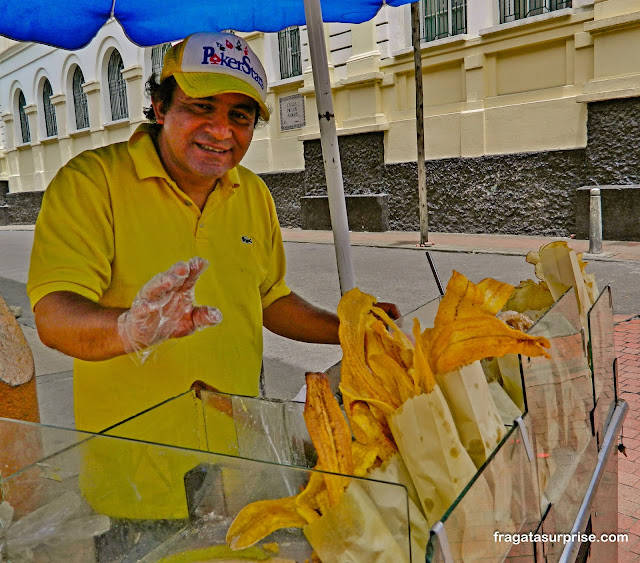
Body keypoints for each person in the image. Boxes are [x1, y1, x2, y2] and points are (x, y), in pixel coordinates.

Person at [27, 32, 399, 521]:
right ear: (161, 108)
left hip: (239, 463)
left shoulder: (253, 194)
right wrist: (130, 328)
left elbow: (270, 298)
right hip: (134, 478)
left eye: (239, 116)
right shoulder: (91, 182)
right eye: (201, 107)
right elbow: (54, 314)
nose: (221, 132)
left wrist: (351, 330)